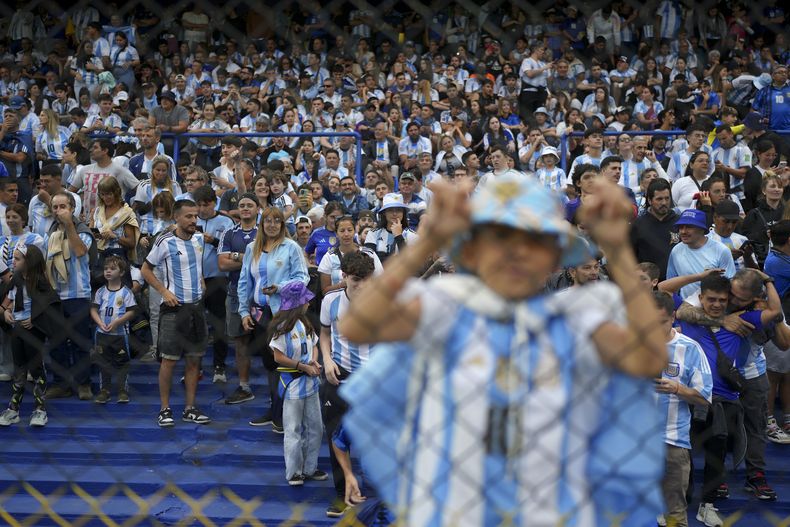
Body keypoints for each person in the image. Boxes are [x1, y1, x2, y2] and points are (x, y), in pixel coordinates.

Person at [338, 174, 668, 526]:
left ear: (554, 258)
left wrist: (617, 250)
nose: (516, 253)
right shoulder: (448, 304)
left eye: (532, 242)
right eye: (499, 239)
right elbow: (359, 324)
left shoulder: (576, 316)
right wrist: (425, 243)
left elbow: (648, 358)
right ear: (473, 251)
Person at [678, 274, 781, 526]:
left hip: (723, 399)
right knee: (683, 452)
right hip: (689, 396)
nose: (716, 304)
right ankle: (678, 503)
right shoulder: (690, 316)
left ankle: (708, 504)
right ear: (700, 298)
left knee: (716, 452)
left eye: (722, 300)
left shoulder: (743, 320)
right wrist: (702, 277)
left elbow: (776, 312)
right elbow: (663, 290)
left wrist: (768, 281)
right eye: (711, 299)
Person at [237, 207, 309, 432]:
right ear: (261, 224)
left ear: (282, 224)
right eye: (267, 221)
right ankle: (274, 409)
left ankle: (287, 413)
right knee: (269, 364)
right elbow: (244, 281)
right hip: (260, 313)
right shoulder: (252, 248)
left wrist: (280, 287)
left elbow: (303, 278)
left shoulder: (291, 247)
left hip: (284, 312)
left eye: (276, 221)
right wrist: (243, 311)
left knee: (283, 362)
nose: (271, 225)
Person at [142, 199, 211, 428]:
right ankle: (164, 408)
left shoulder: (200, 239)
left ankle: (190, 408)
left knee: (194, 360)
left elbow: (196, 266)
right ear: (176, 218)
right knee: (169, 361)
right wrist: (163, 291)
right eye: (189, 216)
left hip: (197, 307)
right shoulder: (165, 240)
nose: (194, 220)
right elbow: (145, 269)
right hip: (173, 308)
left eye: (195, 216)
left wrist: (201, 281)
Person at [319, 251, 376, 517]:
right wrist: (327, 360)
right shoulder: (330, 300)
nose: (362, 285)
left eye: (366, 279)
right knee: (335, 436)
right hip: (338, 376)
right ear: (344, 276)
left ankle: (374, 497)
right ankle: (342, 494)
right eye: (356, 279)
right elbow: (324, 333)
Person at [653, 291, 713, 527]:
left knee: (675, 513)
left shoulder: (690, 349)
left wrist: (678, 389)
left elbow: (704, 397)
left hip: (672, 440)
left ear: (673, 317)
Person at [268, 281, 327, 486]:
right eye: (305, 300)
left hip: (310, 382)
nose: (309, 303)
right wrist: (302, 366)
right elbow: (278, 357)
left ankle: (310, 467)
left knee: (316, 427)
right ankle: (294, 471)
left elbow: (315, 345)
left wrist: (313, 359)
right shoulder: (282, 327)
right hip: (292, 383)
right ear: (297, 302)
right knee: (293, 428)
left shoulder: (305, 323)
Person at [0, 245, 60, 427]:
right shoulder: (16, 278)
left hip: (33, 331)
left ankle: (40, 409)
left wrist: (35, 320)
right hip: (17, 328)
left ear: (29, 262)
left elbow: (51, 304)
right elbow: (9, 300)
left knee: (36, 369)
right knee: (19, 368)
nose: (13, 262)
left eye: (17, 259)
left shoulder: (40, 281)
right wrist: (6, 313)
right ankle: (13, 409)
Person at [44, 192, 94, 400]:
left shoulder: (83, 229)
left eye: (62, 207)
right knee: (56, 342)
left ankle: (84, 384)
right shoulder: (51, 231)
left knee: (80, 341)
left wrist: (69, 226)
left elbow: (80, 251)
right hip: (55, 295)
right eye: (55, 207)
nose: (58, 211)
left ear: (72, 208)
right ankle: (60, 384)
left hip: (77, 294)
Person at [218, 193, 259, 405]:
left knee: (271, 339)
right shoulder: (228, 233)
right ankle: (244, 387)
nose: (244, 208)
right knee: (240, 342)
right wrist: (249, 259)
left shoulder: (265, 231)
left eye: (249, 205)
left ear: (257, 209)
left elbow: (269, 261)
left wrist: (236, 256)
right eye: (241, 205)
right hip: (236, 291)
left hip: (263, 294)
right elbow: (222, 264)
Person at [193, 186, 234, 384]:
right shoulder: (191, 219)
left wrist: (213, 240)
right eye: (199, 205)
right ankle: (195, 366)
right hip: (194, 278)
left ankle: (219, 365)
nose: (202, 209)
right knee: (195, 325)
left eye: (206, 205)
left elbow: (232, 248)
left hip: (218, 277)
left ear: (214, 203)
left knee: (219, 323)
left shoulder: (226, 221)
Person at [90, 255, 136, 404]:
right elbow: (93, 310)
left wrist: (117, 322)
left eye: (112, 268)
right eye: (106, 269)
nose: (108, 271)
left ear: (121, 272)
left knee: (122, 362)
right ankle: (105, 390)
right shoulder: (100, 292)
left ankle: (123, 389)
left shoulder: (126, 293)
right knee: (103, 362)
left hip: (120, 335)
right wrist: (99, 323)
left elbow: (131, 311)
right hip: (102, 334)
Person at [666, 209, 736, 299]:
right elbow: (670, 282)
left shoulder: (721, 250)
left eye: (689, 227)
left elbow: (729, 285)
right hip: (686, 308)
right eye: (681, 227)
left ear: (702, 229)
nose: (683, 231)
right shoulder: (676, 250)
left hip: (713, 308)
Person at [68, 139, 139, 219]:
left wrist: (130, 212)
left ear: (105, 150)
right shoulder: (84, 170)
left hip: (113, 222)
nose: (91, 150)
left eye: (95, 148)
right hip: (88, 220)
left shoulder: (120, 170)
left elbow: (141, 191)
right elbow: (69, 193)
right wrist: (76, 211)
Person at [317, 216, 381, 295]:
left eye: (350, 230)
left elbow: (380, 281)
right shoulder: (329, 257)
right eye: (342, 231)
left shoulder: (369, 253)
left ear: (355, 232)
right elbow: (324, 291)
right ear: (336, 234)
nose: (346, 234)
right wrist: (341, 285)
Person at [630, 179, 678, 280]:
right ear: (650, 200)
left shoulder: (680, 223)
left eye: (667, 198)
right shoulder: (637, 226)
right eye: (659, 199)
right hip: (648, 286)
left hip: (676, 283)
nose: (664, 202)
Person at [739, 173, 785, 266]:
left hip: (785, 258)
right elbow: (743, 238)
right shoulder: (754, 213)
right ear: (764, 190)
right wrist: (763, 234)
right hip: (762, 260)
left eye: (780, 187)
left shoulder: (786, 211)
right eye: (772, 186)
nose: (777, 189)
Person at [364, 193, 417, 262]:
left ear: (403, 213)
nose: (394, 214)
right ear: (384, 213)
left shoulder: (412, 235)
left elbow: (412, 263)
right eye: (390, 210)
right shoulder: (373, 233)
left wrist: (398, 236)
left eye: (398, 210)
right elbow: (368, 261)